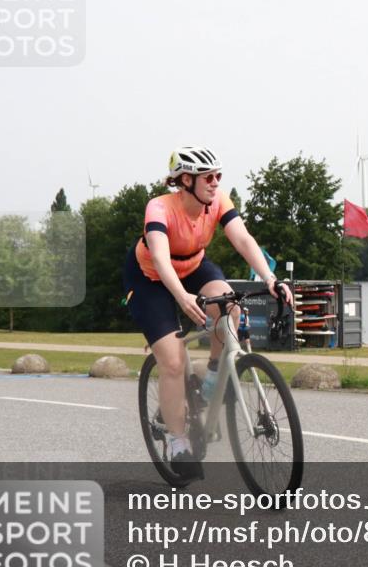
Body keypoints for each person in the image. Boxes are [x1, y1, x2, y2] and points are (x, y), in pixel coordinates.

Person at [123, 146, 292, 480]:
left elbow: (243, 240)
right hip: (150, 278)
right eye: (209, 177)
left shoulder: (218, 202)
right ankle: (177, 441)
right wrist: (182, 297)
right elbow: (159, 258)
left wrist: (271, 279)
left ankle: (214, 378)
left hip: (194, 266)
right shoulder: (159, 207)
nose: (216, 183)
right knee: (172, 360)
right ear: (186, 180)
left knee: (230, 307)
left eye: (219, 176)